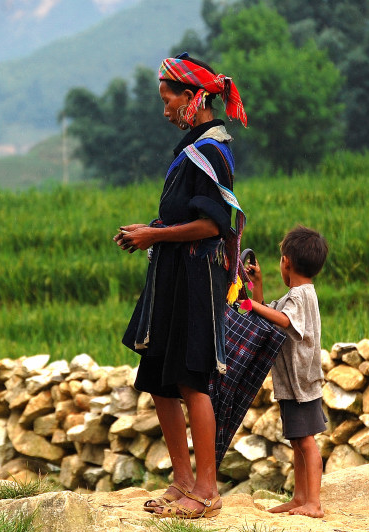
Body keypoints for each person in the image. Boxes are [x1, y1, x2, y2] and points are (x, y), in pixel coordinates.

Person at [114, 52, 247, 519]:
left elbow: (212, 225)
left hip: (196, 276)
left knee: (192, 379)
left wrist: (154, 236)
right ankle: (183, 481)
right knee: (159, 377)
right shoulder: (192, 148)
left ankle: (207, 491)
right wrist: (152, 229)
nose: (165, 109)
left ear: (192, 96)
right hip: (172, 273)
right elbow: (182, 216)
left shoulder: (210, 151)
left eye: (168, 99)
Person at [240, 225, 329, 518]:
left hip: (302, 384)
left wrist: (250, 305)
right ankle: (300, 497)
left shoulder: (300, 296)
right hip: (295, 383)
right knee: (298, 440)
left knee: (306, 441)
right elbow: (272, 314)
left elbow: (282, 320)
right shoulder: (298, 295)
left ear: (286, 262)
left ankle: (313, 503)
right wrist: (258, 287)